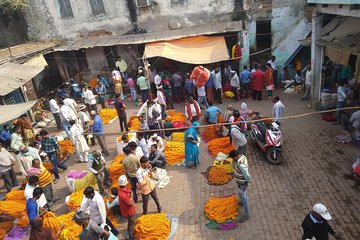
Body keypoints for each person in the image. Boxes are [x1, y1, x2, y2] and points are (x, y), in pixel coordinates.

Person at [229, 150, 251, 223]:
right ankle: (241, 201)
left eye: (233, 158)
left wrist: (247, 181)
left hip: (242, 183)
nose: (232, 159)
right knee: (242, 195)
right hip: (240, 182)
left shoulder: (241, 165)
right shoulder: (241, 157)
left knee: (244, 198)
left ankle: (246, 215)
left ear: (236, 156)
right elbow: (234, 164)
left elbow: (247, 175)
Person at [117, 175, 135, 240]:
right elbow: (130, 203)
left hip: (126, 210)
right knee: (131, 223)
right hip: (129, 211)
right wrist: (132, 196)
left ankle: (130, 231)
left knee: (130, 222)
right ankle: (131, 236)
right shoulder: (123, 195)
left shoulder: (120, 190)